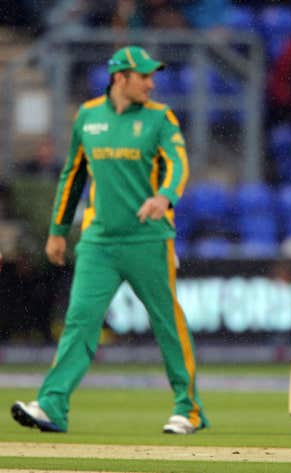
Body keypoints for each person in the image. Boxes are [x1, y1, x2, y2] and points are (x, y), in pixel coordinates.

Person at [10, 46, 208, 435]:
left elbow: (178, 165)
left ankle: (189, 410)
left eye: (152, 76)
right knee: (79, 322)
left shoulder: (160, 118)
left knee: (167, 322)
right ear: (120, 78)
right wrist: (57, 230)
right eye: (144, 76)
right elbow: (72, 175)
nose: (152, 83)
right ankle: (52, 406)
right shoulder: (88, 115)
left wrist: (164, 196)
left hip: (148, 240)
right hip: (98, 241)